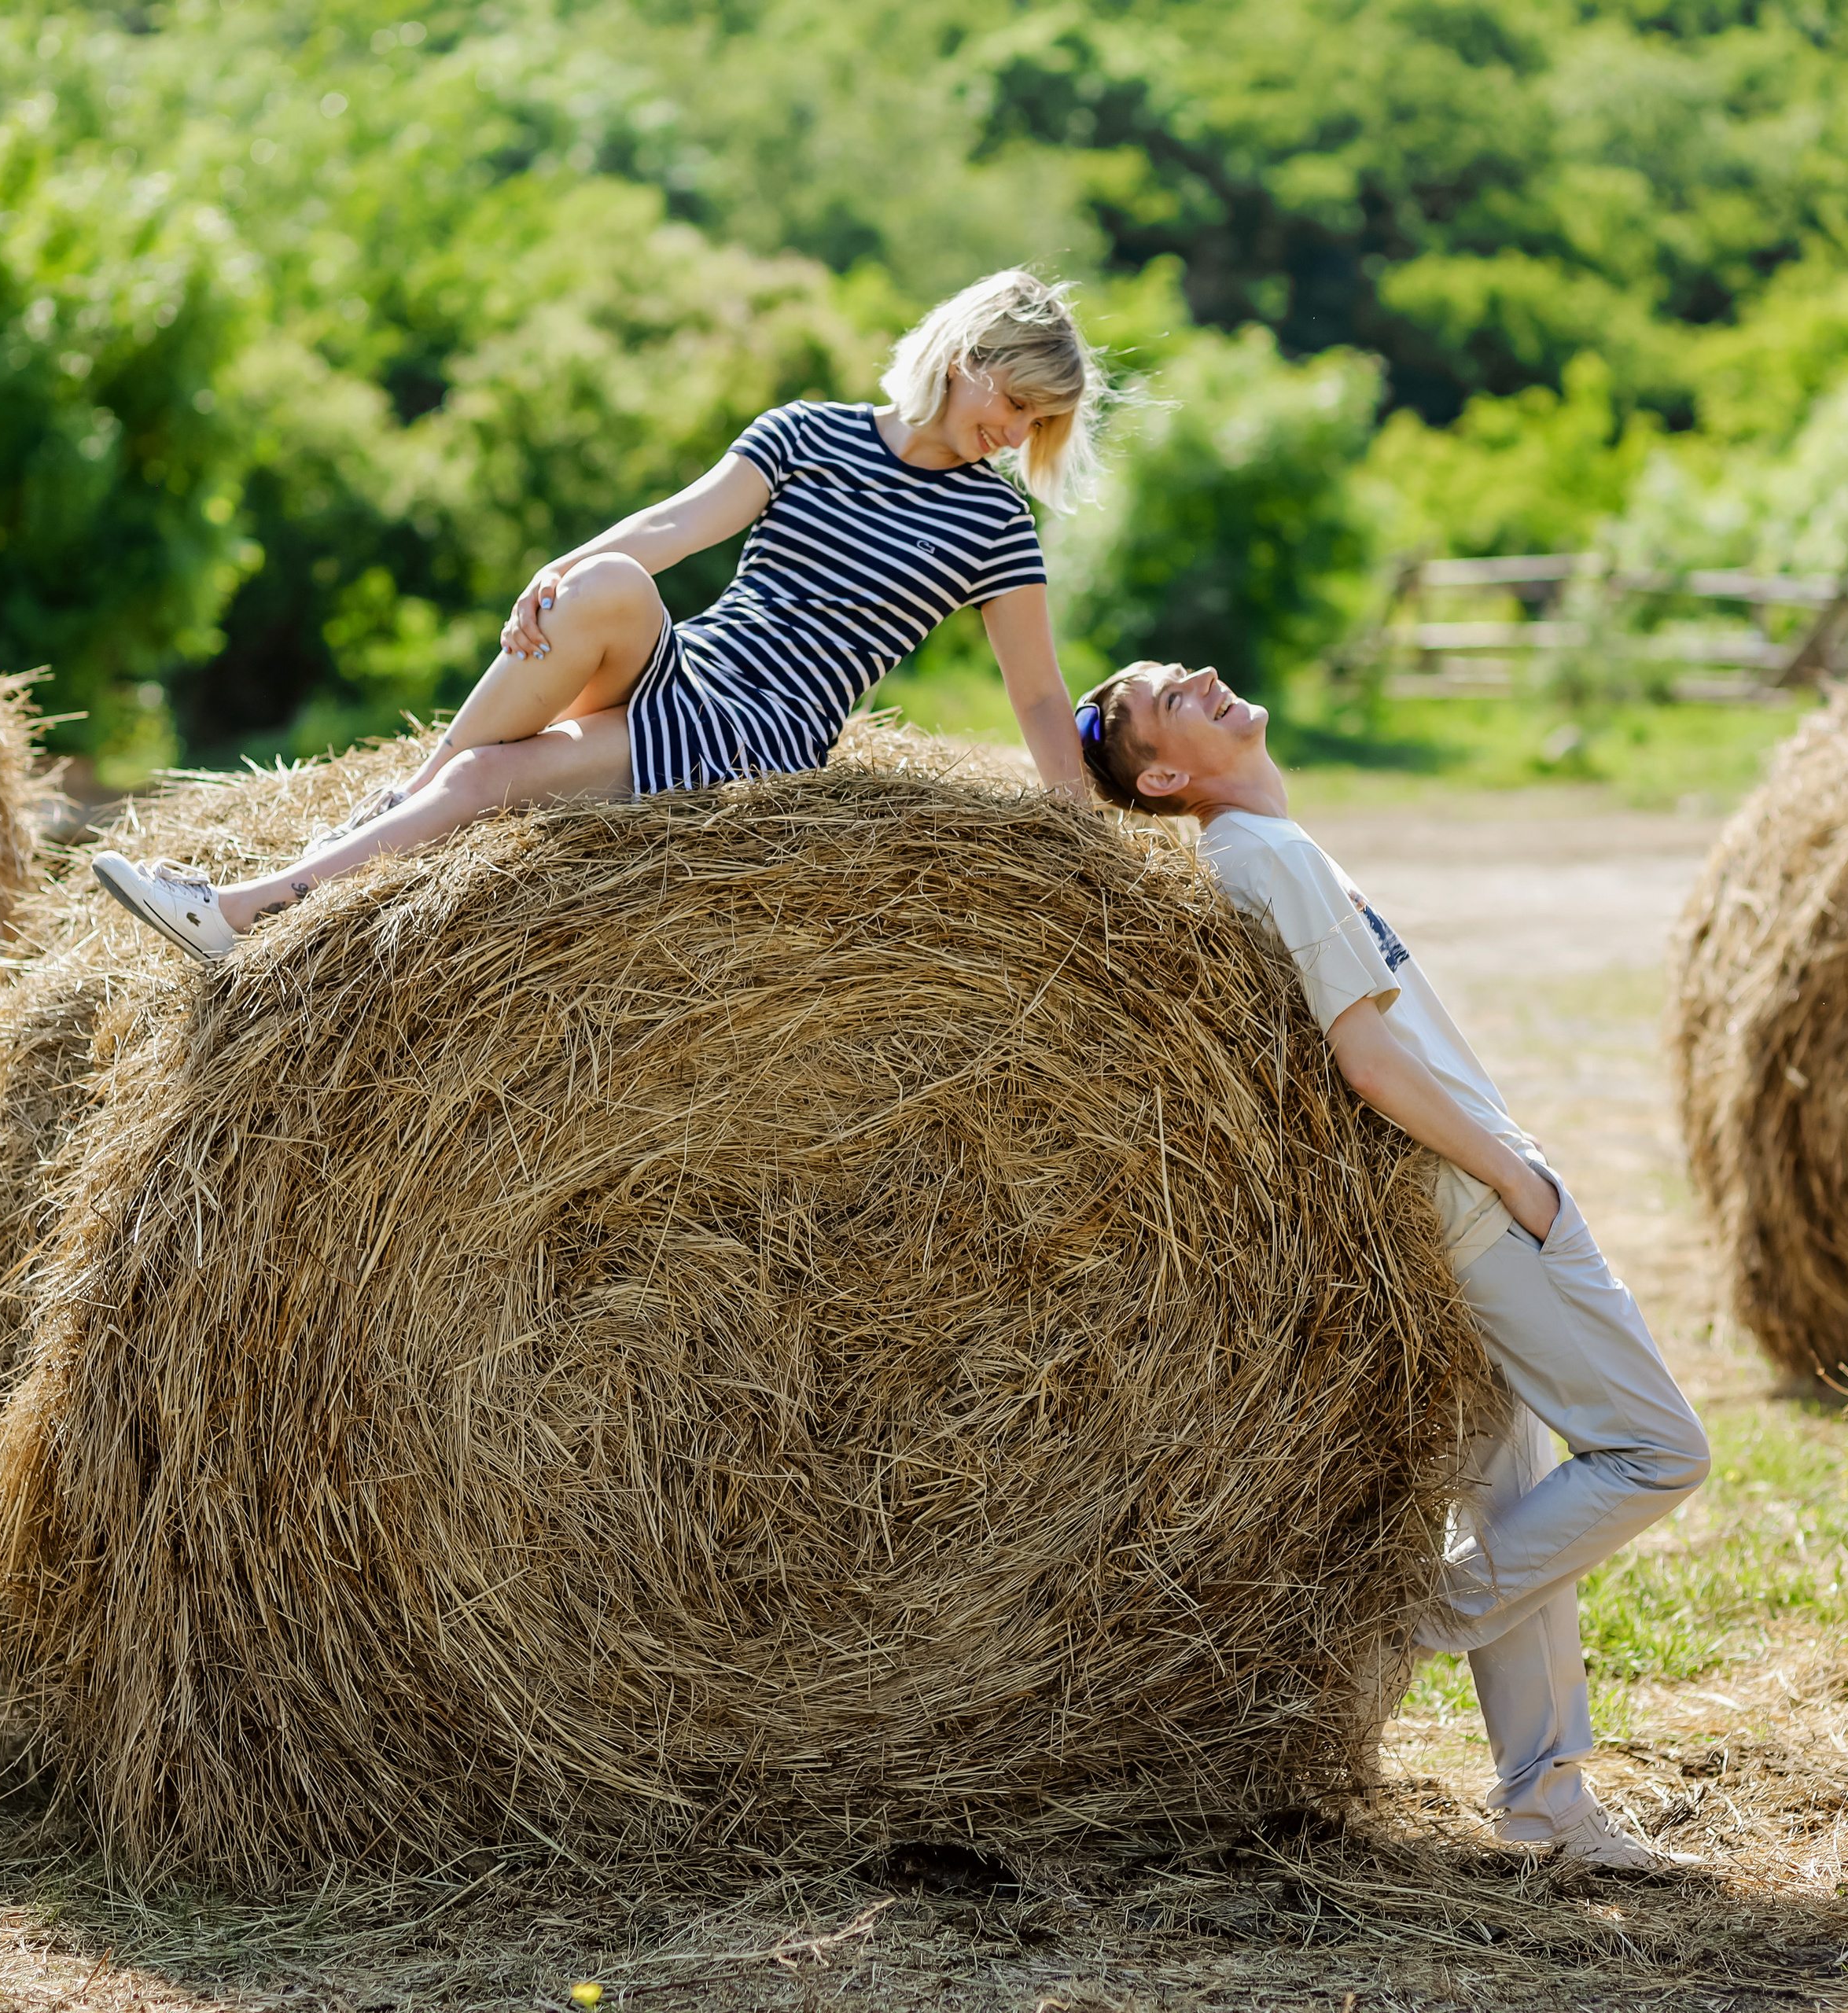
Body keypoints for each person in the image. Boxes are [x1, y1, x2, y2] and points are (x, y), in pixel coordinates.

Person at [1073, 659, 1712, 1874]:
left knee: (1520, 1495)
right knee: (1660, 1451)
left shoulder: (1255, 851)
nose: (1203, 676)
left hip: (1429, 1229)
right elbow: (1367, 1058)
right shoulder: (1267, 855)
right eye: (1169, 697)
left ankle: (1546, 1801)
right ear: (1164, 776)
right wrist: (1517, 1178)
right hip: (1481, 1212)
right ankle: (1392, 1635)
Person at [94, 269, 1105, 960]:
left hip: (770, 733)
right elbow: (675, 523)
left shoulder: (992, 519)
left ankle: (239, 913)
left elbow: (1036, 691)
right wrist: (559, 574)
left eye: (1035, 422)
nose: (1010, 432)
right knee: (614, 581)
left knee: (493, 776)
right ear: (965, 353)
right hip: (700, 669)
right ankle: (396, 801)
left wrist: (1087, 851)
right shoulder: (808, 432)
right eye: (1011, 400)